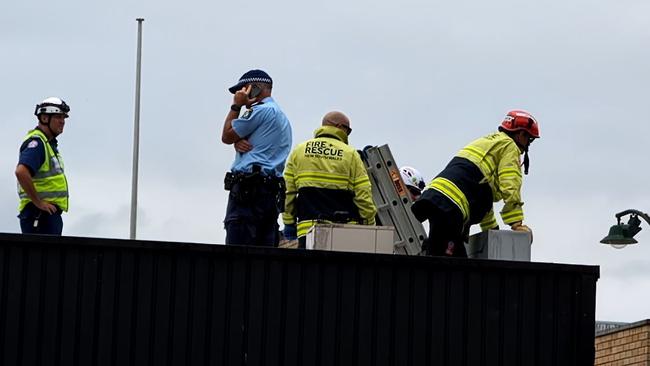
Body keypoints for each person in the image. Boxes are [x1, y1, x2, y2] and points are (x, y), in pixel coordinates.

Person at [411, 110, 540, 257]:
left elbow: (482, 198)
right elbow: (510, 184)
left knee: (442, 252)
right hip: (451, 205)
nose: (526, 146)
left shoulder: (488, 143)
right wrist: (516, 223)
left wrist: (492, 232)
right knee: (451, 266)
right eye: (528, 139)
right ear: (520, 134)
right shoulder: (509, 146)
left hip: (436, 198)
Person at [282, 111, 377, 248]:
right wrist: (369, 224)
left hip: (307, 231)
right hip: (344, 232)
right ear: (340, 127)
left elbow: (287, 192)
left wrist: (289, 223)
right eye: (348, 130)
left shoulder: (299, 151)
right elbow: (363, 195)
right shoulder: (351, 154)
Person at [221, 69, 292, 246]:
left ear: (255, 88)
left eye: (244, 89)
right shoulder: (280, 115)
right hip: (269, 192)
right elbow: (258, 145)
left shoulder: (260, 111)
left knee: (238, 246)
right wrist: (238, 142)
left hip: (249, 191)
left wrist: (236, 106)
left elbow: (226, 136)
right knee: (263, 251)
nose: (240, 94)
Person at [15, 97, 71, 235]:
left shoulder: (48, 144)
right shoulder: (37, 143)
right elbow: (21, 172)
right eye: (58, 117)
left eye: (64, 117)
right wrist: (38, 202)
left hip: (46, 215)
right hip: (39, 215)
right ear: (45, 118)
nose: (62, 121)